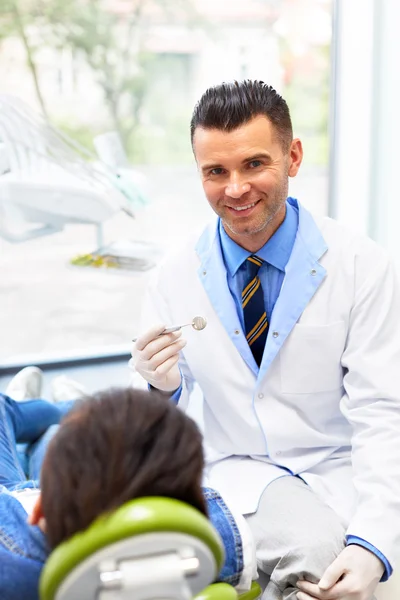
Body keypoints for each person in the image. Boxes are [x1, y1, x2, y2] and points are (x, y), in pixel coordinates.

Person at [130, 79, 400, 600]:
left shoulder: (361, 266)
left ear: (293, 156)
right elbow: (157, 423)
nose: (235, 189)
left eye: (254, 164)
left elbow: (384, 410)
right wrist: (159, 388)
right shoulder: (172, 277)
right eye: (216, 172)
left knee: (358, 576)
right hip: (239, 471)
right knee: (320, 568)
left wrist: (374, 542)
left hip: (336, 464)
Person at [0, 368, 255, 600]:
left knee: (42, 432)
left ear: (39, 510)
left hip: (17, 503)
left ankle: (67, 409)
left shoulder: (11, 572)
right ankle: (71, 412)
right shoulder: (216, 542)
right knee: (59, 442)